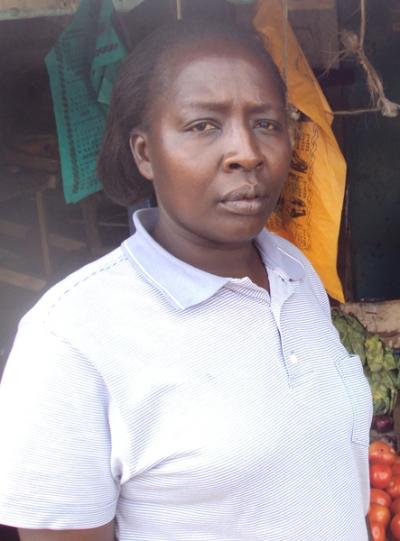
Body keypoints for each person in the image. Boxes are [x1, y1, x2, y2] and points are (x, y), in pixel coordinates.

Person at [0, 21, 372, 541]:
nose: (247, 152)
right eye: (203, 125)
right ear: (144, 153)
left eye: (266, 123)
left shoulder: (293, 271)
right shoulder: (71, 341)